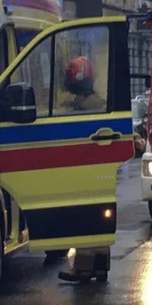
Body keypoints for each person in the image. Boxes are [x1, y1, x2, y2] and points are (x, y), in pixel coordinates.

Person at [56, 56, 111, 284]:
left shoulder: (77, 107)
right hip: (100, 172)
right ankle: (100, 267)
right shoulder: (99, 103)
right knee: (100, 217)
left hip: (83, 170)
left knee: (84, 217)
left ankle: (82, 268)